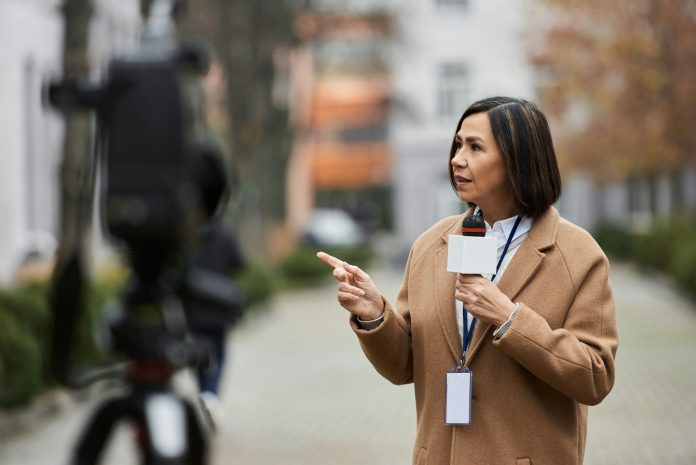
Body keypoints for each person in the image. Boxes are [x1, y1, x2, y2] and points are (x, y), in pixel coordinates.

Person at [317, 96, 618, 465]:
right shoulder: (430, 245)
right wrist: (374, 314)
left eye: (475, 147)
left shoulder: (577, 254)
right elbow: (405, 365)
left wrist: (511, 318)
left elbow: (595, 377)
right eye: (458, 144)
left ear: (518, 160)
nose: (457, 158)